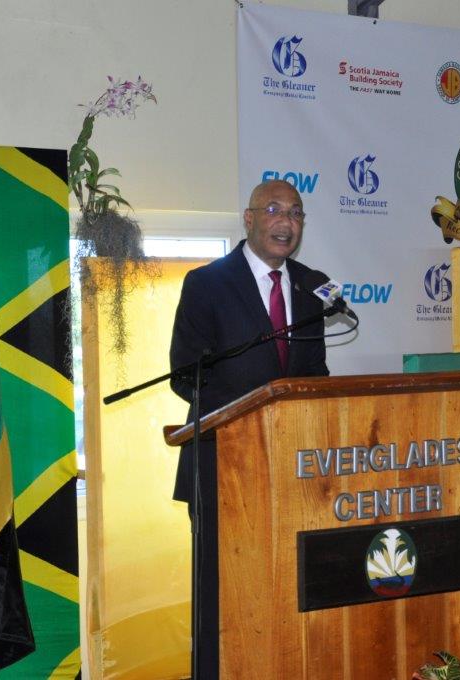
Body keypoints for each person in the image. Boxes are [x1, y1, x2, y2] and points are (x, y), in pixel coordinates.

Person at [168, 179, 330, 678]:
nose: (287, 223)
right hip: (224, 464)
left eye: (297, 213)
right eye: (275, 210)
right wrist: (254, 418)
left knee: (287, 584)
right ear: (249, 218)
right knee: (222, 589)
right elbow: (183, 374)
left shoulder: (312, 286)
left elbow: (315, 376)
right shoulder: (206, 283)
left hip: (292, 467)